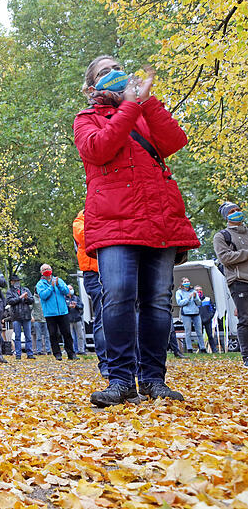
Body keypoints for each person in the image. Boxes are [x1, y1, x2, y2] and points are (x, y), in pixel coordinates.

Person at [75, 57, 199, 406]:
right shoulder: (87, 119)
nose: (113, 73)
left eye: (117, 67)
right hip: (114, 222)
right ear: (90, 88)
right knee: (118, 295)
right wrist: (130, 107)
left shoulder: (142, 112)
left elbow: (175, 141)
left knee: (158, 302)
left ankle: (153, 380)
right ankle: (120, 380)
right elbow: (99, 149)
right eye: (103, 71)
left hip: (158, 218)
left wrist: (146, 101)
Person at [213, 202, 248, 368]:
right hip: (239, 281)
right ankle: (246, 357)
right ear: (226, 216)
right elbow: (225, 258)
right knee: (245, 319)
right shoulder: (222, 236)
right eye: (232, 211)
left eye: (238, 210)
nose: (236, 213)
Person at [74, 209, 108, 377]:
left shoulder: (110, 211)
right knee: (101, 317)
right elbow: (85, 237)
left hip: (113, 269)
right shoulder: (81, 219)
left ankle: (131, 361)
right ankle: (106, 363)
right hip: (93, 273)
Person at [35, 264, 75, 361]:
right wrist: (51, 287)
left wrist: (58, 285)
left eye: (48, 269)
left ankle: (71, 354)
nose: (47, 270)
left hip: (63, 312)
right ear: (41, 272)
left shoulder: (58, 280)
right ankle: (57, 354)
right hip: (50, 314)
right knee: (53, 334)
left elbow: (66, 291)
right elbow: (43, 296)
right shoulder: (40, 284)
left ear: (52, 270)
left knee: (67, 333)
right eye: (44, 269)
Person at [5, 274, 35, 360]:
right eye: (15, 281)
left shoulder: (25, 290)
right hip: (16, 316)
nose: (17, 283)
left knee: (28, 336)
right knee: (17, 336)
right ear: (11, 282)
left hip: (26, 315)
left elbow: (32, 300)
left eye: (18, 281)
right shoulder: (9, 291)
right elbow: (10, 301)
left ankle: (30, 353)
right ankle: (18, 354)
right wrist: (20, 297)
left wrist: (26, 298)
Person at [175, 278, 204, 353]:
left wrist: (195, 297)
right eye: (185, 282)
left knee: (199, 331)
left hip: (196, 313)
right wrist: (188, 298)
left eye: (188, 281)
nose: (187, 282)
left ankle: (203, 348)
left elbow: (199, 303)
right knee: (188, 332)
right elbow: (180, 303)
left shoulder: (194, 291)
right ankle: (189, 348)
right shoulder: (179, 292)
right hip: (186, 314)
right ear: (182, 283)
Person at [195, 286, 219, 354]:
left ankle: (214, 350)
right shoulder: (193, 301)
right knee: (200, 336)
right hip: (198, 320)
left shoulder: (207, 299)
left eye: (200, 290)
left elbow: (213, 309)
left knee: (210, 335)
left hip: (208, 320)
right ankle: (201, 350)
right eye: (197, 290)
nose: (198, 291)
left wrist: (210, 316)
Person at [66, 285, 86, 355]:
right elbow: (63, 309)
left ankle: (81, 350)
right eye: (69, 289)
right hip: (68, 320)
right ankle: (72, 350)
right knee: (70, 336)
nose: (71, 290)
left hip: (77, 319)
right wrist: (69, 306)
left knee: (80, 335)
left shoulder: (76, 298)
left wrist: (76, 306)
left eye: (72, 289)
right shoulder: (64, 299)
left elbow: (82, 306)